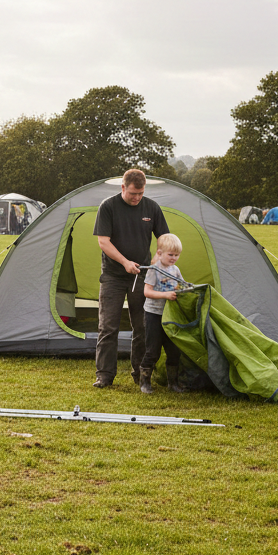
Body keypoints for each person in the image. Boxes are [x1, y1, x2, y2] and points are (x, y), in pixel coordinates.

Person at [92, 168, 169, 388]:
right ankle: (104, 376)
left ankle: (141, 373)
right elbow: (103, 242)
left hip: (142, 277)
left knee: (142, 327)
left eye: (140, 193)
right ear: (123, 187)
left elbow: (163, 237)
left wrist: (155, 260)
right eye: (133, 193)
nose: (136, 198)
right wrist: (125, 262)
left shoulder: (152, 207)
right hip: (113, 277)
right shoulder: (108, 207)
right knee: (108, 327)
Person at [140, 233, 187, 394]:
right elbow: (147, 291)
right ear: (160, 253)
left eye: (177, 255)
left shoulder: (175, 270)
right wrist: (166, 295)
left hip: (170, 315)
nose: (174, 258)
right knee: (153, 350)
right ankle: (145, 382)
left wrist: (183, 290)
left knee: (174, 350)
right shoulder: (154, 270)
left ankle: (173, 383)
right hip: (154, 314)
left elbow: (180, 286)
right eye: (170, 255)